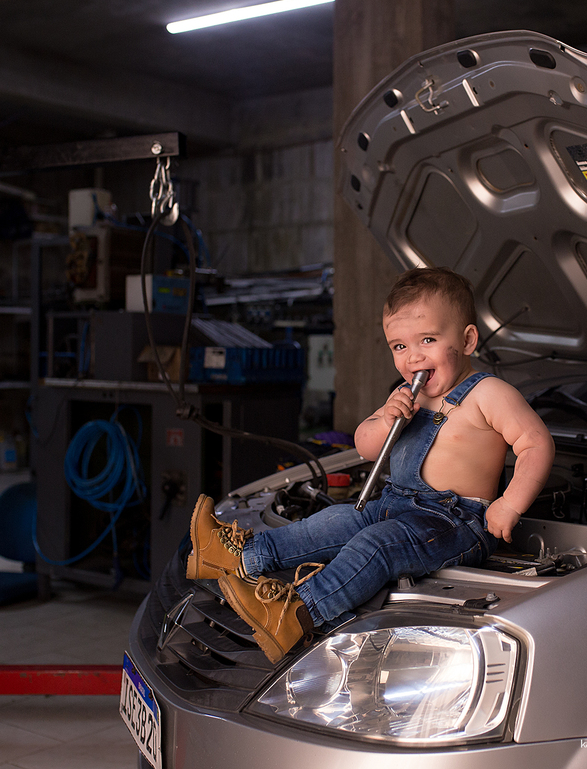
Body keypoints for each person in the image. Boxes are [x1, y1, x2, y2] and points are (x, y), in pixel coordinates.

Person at [186, 267, 555, 662]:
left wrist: (509, 504)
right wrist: (385, 420)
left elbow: (535, 444)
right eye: (399, 347)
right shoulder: (405, 396)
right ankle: (237, 556)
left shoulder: (488, 394)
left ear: (466, 340)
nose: (413, 357)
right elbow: (365, 446)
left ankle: (297, 613)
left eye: (427, 340)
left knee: (375, 547)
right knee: (334, 522)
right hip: (394, 503)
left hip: (454, 522)